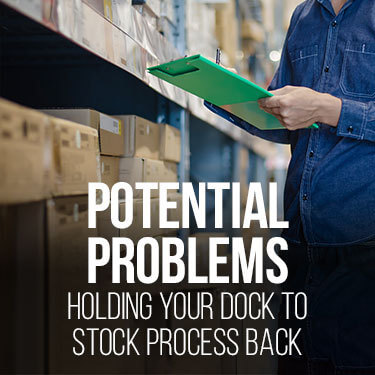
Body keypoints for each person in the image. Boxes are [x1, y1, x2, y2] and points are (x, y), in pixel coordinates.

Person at [206, 0, 375, 374]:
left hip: (361, 245)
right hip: (298, 242)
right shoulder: (303, 17)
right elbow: (283, 120)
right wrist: (230, 96)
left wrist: (327, 108)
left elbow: (318, 111)